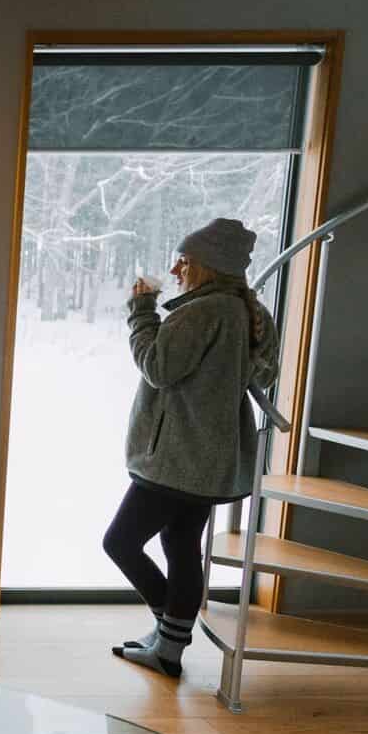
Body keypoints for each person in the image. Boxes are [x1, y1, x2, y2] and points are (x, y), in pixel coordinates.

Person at [103, 218, 279, 678]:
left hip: (176, 459)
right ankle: (169, 647)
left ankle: (169, 636)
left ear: (211, 267)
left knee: (120, 541)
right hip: (208, 459)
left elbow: (158, 368)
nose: (177, 267)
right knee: (180, 543)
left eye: (187, 260)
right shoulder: (247, 312)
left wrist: (142, 311)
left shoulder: (204, 313)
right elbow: (262, 375)